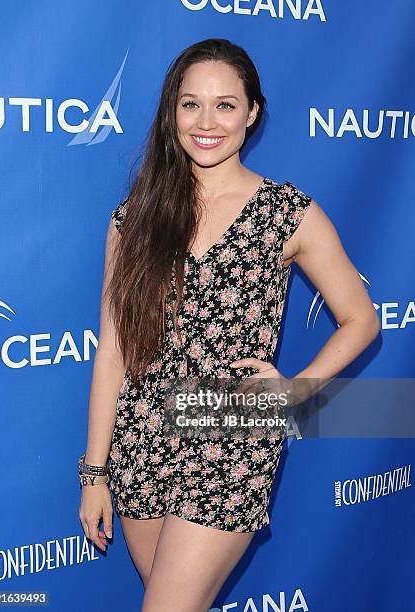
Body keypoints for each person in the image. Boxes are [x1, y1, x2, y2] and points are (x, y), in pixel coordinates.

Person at [78, 38, 380, 611]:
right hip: (140, 439)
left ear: (252, 112)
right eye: (191, 104)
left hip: (234, 434)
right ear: (172, 113)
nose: (206, 121)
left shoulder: (287, 212)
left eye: (225, 104)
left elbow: (360, 319)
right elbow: (113, 352)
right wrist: (94, 473)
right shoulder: (133, 219)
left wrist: (297, 389)